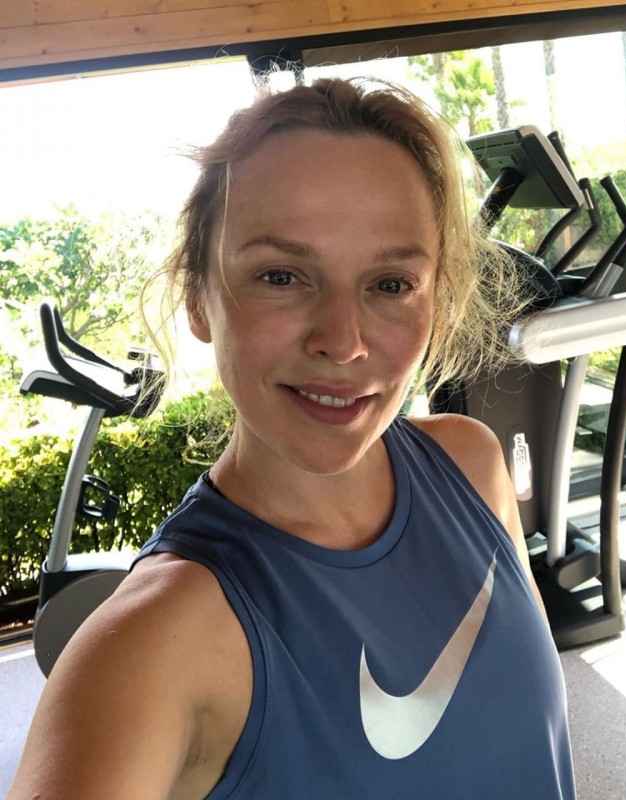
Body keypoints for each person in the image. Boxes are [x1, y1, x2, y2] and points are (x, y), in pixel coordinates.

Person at [9, 76, 575, 799]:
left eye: (391, 284)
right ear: (198, 297)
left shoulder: (472, 464)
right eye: (281, 276)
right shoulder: (153, 645)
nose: (343, 341)